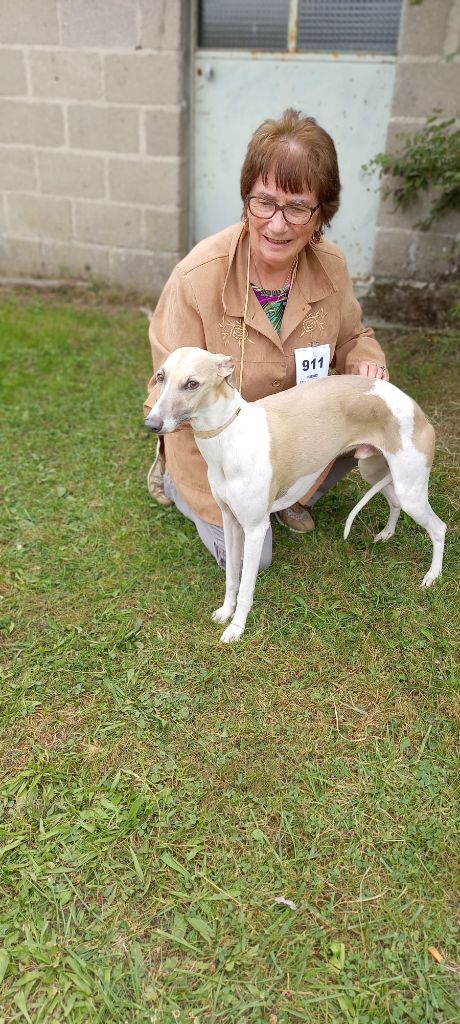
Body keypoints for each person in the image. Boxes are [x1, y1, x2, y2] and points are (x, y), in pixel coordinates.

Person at [144, 108, 389, 570]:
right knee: (254, 562)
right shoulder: (197, 277)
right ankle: (177, 481)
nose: (277, 224)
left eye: (297, 207)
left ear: (322, 213)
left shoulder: (331, 266)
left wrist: (364, 359)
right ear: (245, 199)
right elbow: (165, 390)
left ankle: (289, 493)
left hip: (288, 439)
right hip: (214, 448)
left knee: (369, 415)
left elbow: (355, 336)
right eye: (264, 202)